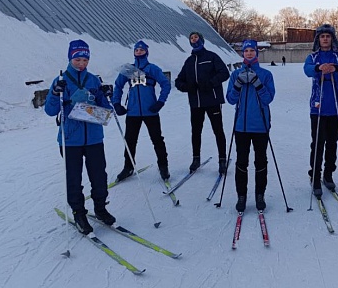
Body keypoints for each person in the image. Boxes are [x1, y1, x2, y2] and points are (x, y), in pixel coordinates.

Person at [44, 39, 116, 234]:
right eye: (78, 59)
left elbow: (107, 109)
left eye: (85, 59)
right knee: (74, 178)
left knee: (99, 176)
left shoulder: (94, 79)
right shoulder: (61, 80)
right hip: (70, 139)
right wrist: (54, 93)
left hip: (93, 137)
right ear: (71, 58)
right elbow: (50, 111)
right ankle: (79, 213)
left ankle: (100, 209)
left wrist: (109, 95)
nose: (82, 63)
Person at [226, 39, 276, 212]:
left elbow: (268, 98)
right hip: (241, 126)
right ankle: (241, 196)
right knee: (241, 162)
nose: (249, 53)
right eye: (246, 51)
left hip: (261, 125)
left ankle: (260, 195)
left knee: (261, 161)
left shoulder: (266, 74)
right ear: (242, 53)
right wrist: (238, 85)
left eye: (252, 51)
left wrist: (257, 83)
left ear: (256, 53)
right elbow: (230, 99)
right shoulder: (235, 75)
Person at [112, 40, 172, 181]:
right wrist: (116, 103)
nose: (138, 52)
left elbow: (166, 85)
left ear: (146, 52)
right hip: (133, 112)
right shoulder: (129, 69)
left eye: (141, 50)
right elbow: (118, 86)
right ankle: (128, 167)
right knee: (130, 141)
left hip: (150, 110)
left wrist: (160, 102)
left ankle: (163, 166)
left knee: (157, 140)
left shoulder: (152, 68)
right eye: (136, 50)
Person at [303, 24, 338, 197]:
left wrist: (335, 68)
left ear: (332, 39)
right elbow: (307, 69)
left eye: (328, 36)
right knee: (317, 144)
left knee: (332, 143)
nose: (325, 39)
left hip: (335, 108)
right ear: (318, 39)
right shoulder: (313, 56)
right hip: (317, 108)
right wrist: (318, 68)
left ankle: (328, 174)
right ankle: (315, 176)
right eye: (322, 36)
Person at [174, 32, 230, 174]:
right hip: (196, 103)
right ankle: (196, 158)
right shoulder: (189, 61)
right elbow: (178, 81)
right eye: (191, 38)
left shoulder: (211, 57)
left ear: (202, 40)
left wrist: (211, 83)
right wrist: (187, 87)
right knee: (196, 131)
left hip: (212, 100)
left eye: (196, 37)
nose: (194, 40)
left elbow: (224, 73)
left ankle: (222, 159)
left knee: (218, 130)